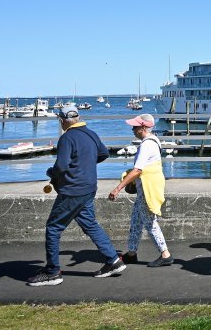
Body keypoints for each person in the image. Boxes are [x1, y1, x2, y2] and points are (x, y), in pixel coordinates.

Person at [27, 105, 125, 286]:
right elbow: (104, 153)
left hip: (72, 190)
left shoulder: (67, 138)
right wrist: (84, 163)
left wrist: (51, 172)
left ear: (62, 120)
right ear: (78, 118)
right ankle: (113, 261)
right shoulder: (91, 134)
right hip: (88, 188)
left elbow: (62, 166)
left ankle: (53, 272)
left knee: (53, 228)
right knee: (90, 224)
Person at [108, 114, 173, 267]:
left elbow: (138, 170)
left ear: (143, 127)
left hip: (147, 188)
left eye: (135, 127)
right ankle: (131, 253)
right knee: (136, 220)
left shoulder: (146, 145)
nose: (132, 129)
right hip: (148, 186)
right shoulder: (154, 140)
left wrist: (118, 188)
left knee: (150, 222)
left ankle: (165, 254)